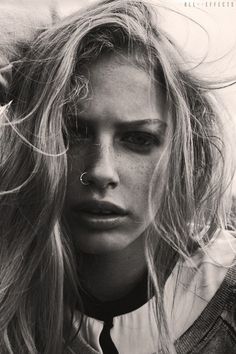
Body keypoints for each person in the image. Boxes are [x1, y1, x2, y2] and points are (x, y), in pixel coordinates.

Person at [0, 0, 235, 353]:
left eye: (139, 139)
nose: (101, 172)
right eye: (72, 133)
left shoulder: (224, 291)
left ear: (181, 155)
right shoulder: (10, 289)